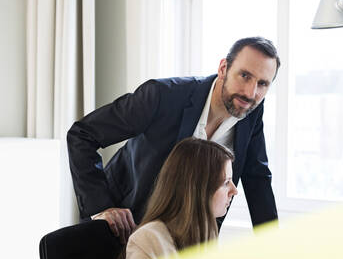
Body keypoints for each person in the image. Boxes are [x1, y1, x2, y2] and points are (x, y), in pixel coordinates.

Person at [67, 36, 280, 244]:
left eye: (263, 84)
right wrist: (101, 207)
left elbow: (257, 179)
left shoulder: (252, 110)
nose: (251, 92)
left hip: (185, 242)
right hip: (121, 228)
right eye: (244, 75)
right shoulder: (162, 95)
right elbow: (82, 135)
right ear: (223, 68)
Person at [123, 138, 237, 259]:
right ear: (197, 187)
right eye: (226, 183)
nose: (234, 190)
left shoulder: (206, 232)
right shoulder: (148, 240)